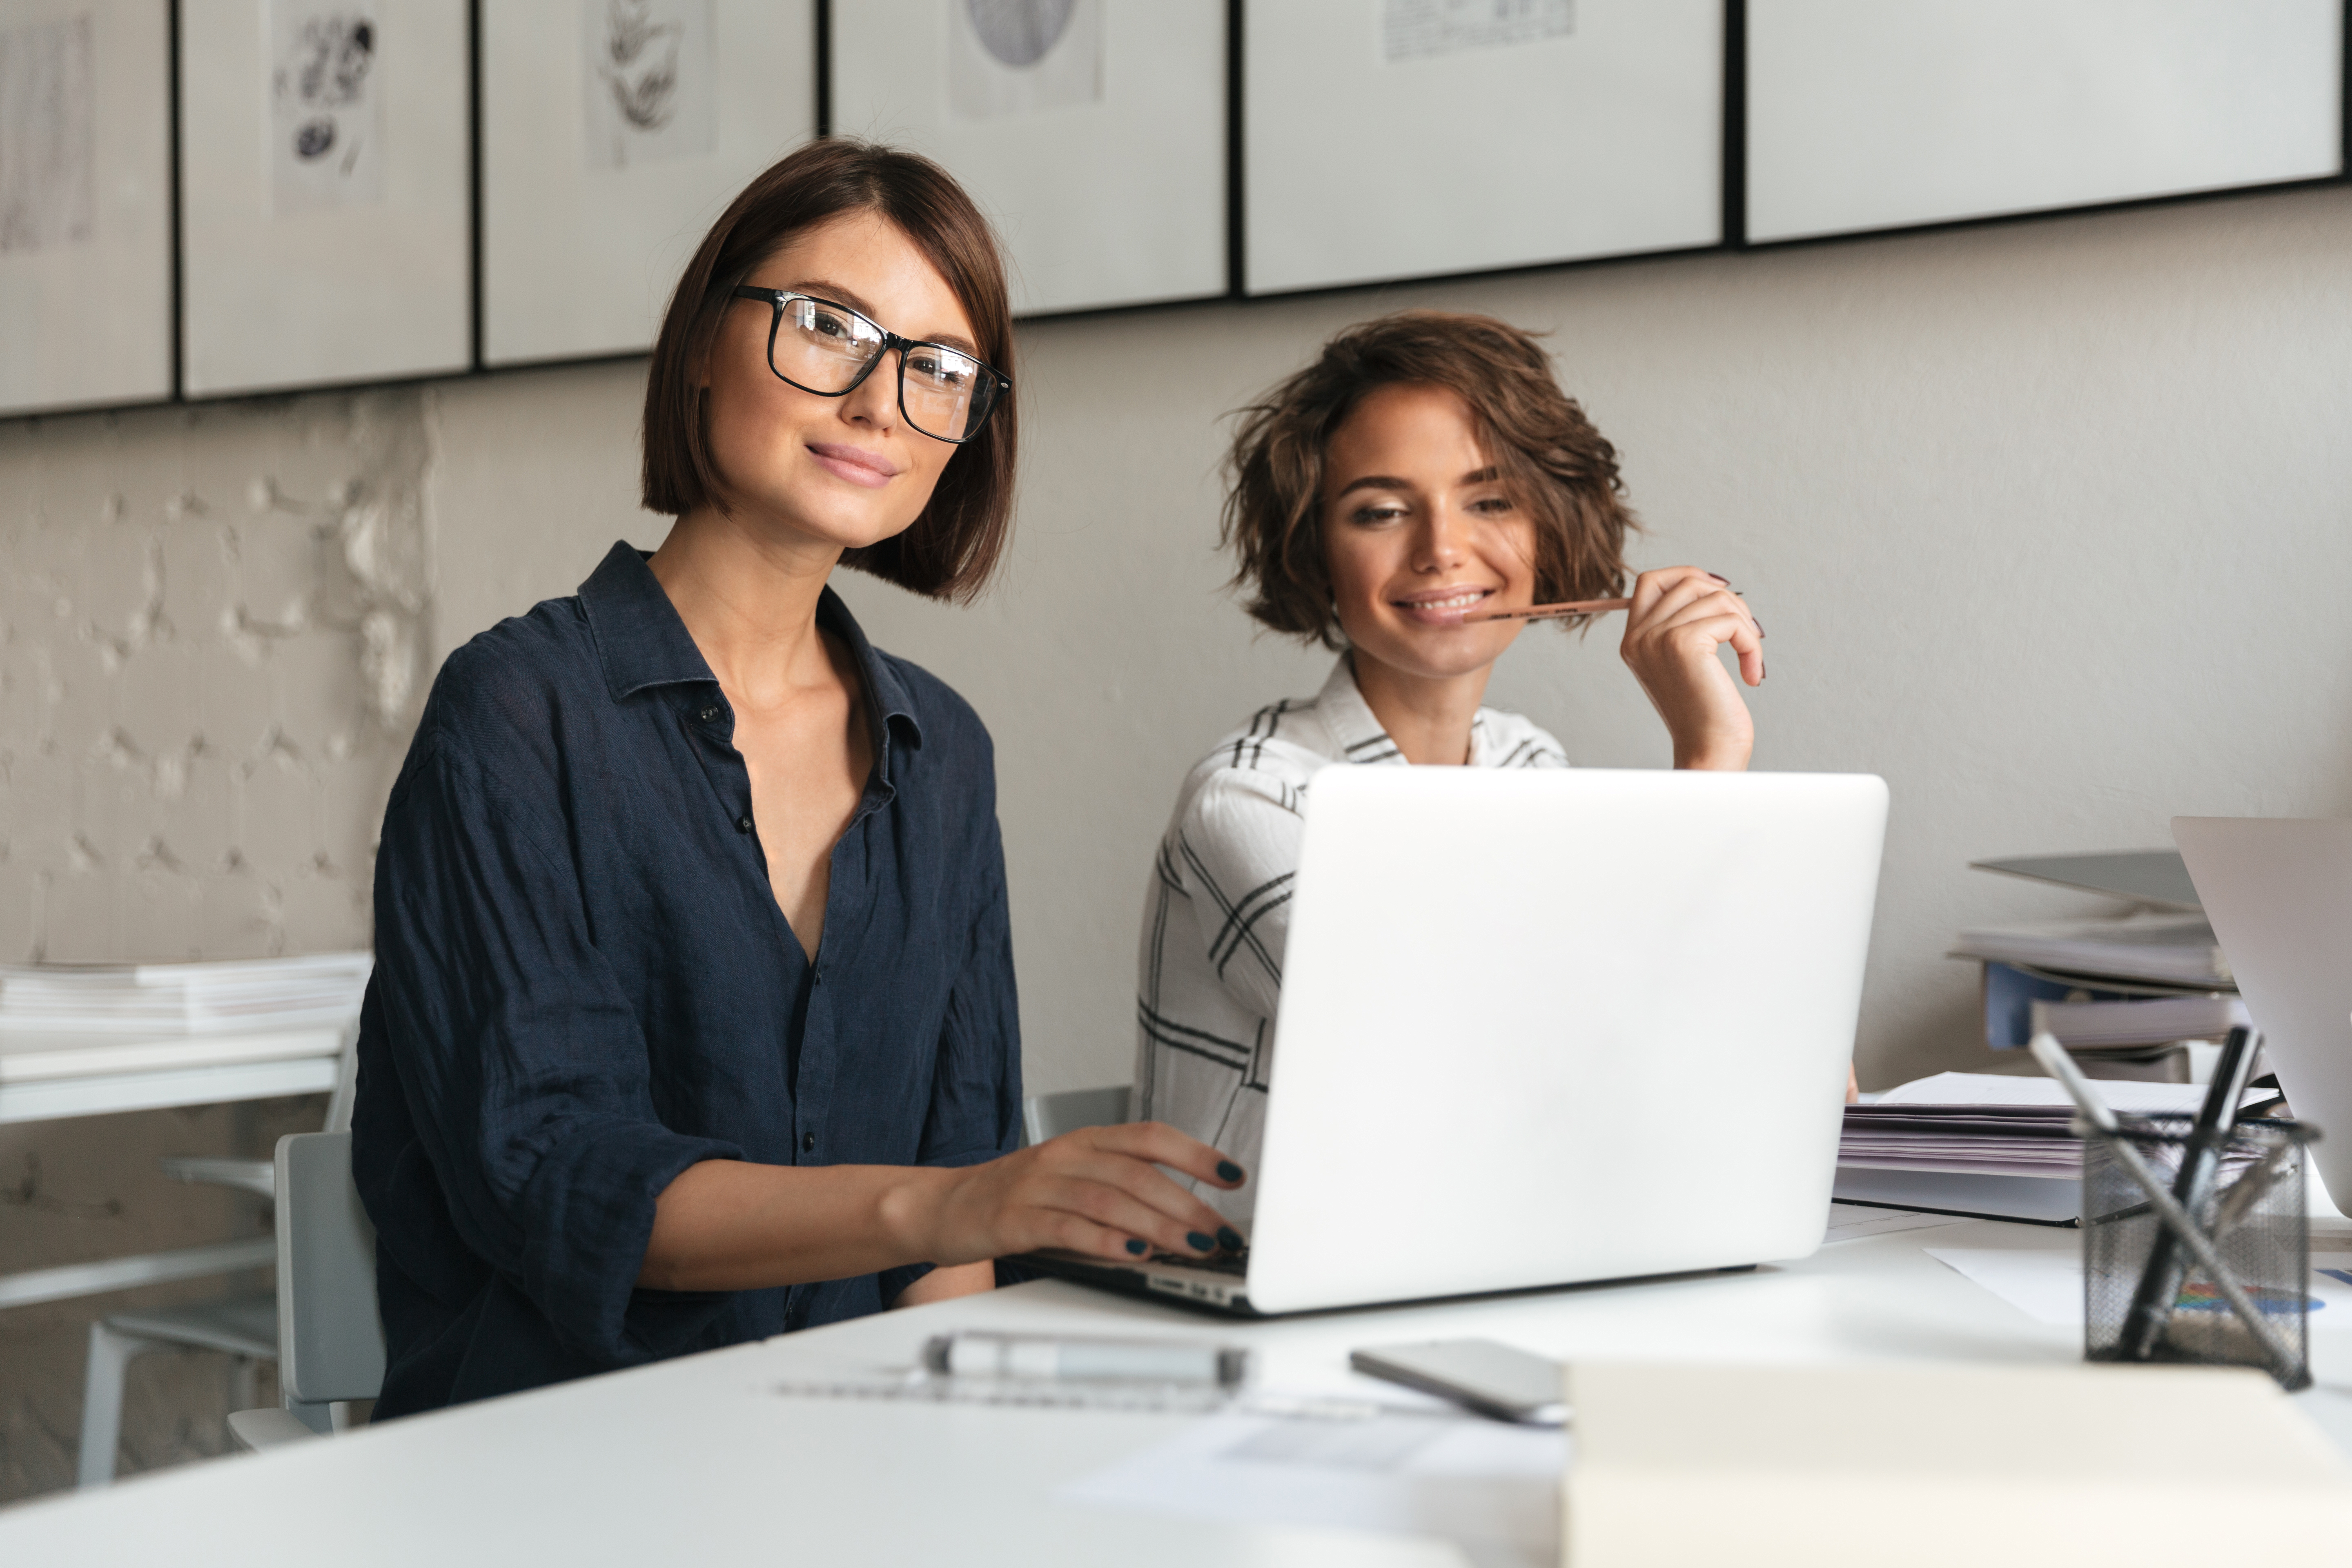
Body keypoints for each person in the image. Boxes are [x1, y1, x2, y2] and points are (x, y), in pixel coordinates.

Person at [352, 140, 1241, 1418]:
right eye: (831, 328)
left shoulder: (943, 751)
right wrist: (950, 1204)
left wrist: (978, 1473)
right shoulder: (518, 712)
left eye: (939, 369)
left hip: (856, 1463)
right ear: (706, 340)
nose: (883, 402)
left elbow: (953, 1227)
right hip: (557, 1463)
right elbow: (559, 1174)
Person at [1134, 311, 1774, 1230]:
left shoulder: (1530, 766)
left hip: (1470, 1254)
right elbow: (1486, 1062)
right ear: (1315, 552)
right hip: (1240, 1295)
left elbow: (1687, 1053)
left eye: (1490, 500)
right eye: (1381, 511)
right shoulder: (1248, 799)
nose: (1441, 549)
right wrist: (1709, 760)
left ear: (1549, 530)